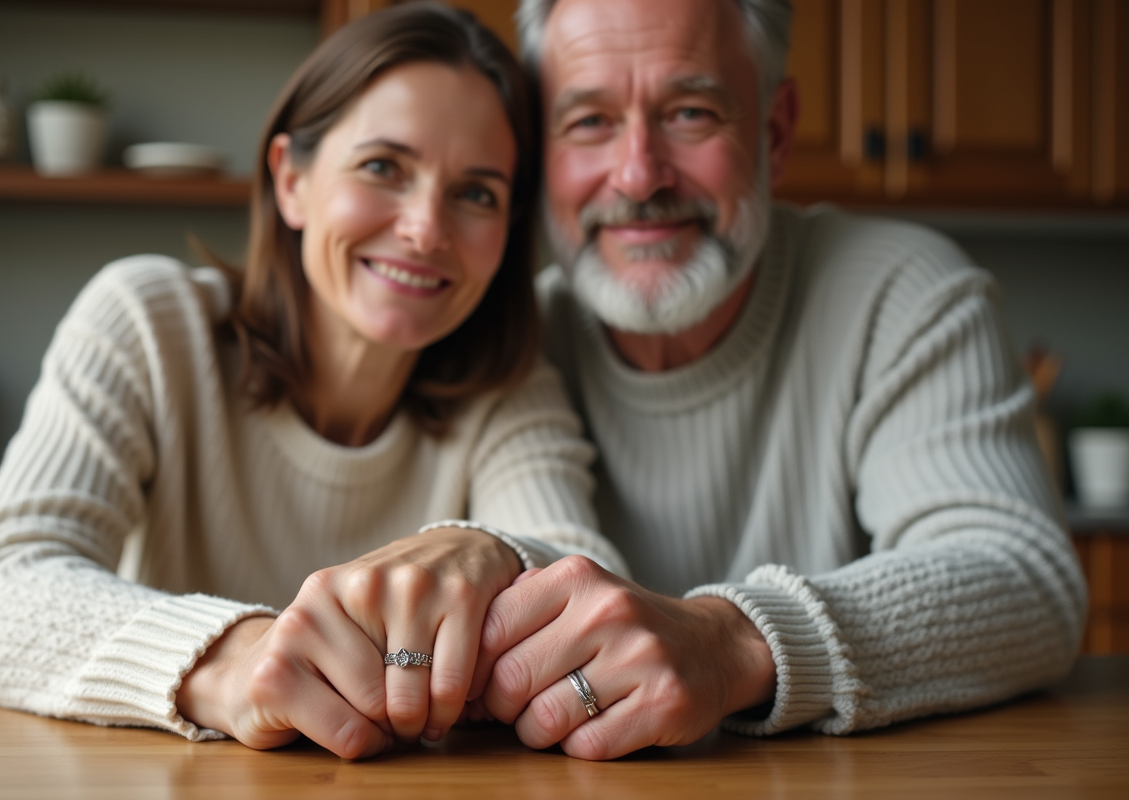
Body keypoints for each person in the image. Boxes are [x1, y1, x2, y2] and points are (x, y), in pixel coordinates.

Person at [0, 4, 628, 760]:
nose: (427, 228)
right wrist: (236, 658)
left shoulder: (509, 385)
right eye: (383, 167)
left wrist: (489, 547)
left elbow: (589, 594)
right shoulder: (149, 324)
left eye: (477, 192)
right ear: (292, 179)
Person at [464, 0, 1087, 760]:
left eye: (690, 113)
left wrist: (730, 642)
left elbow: (1022, 584)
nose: (637, 175)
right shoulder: (507, 341)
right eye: (589, 121)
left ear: (775, 130)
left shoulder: (904, 291)